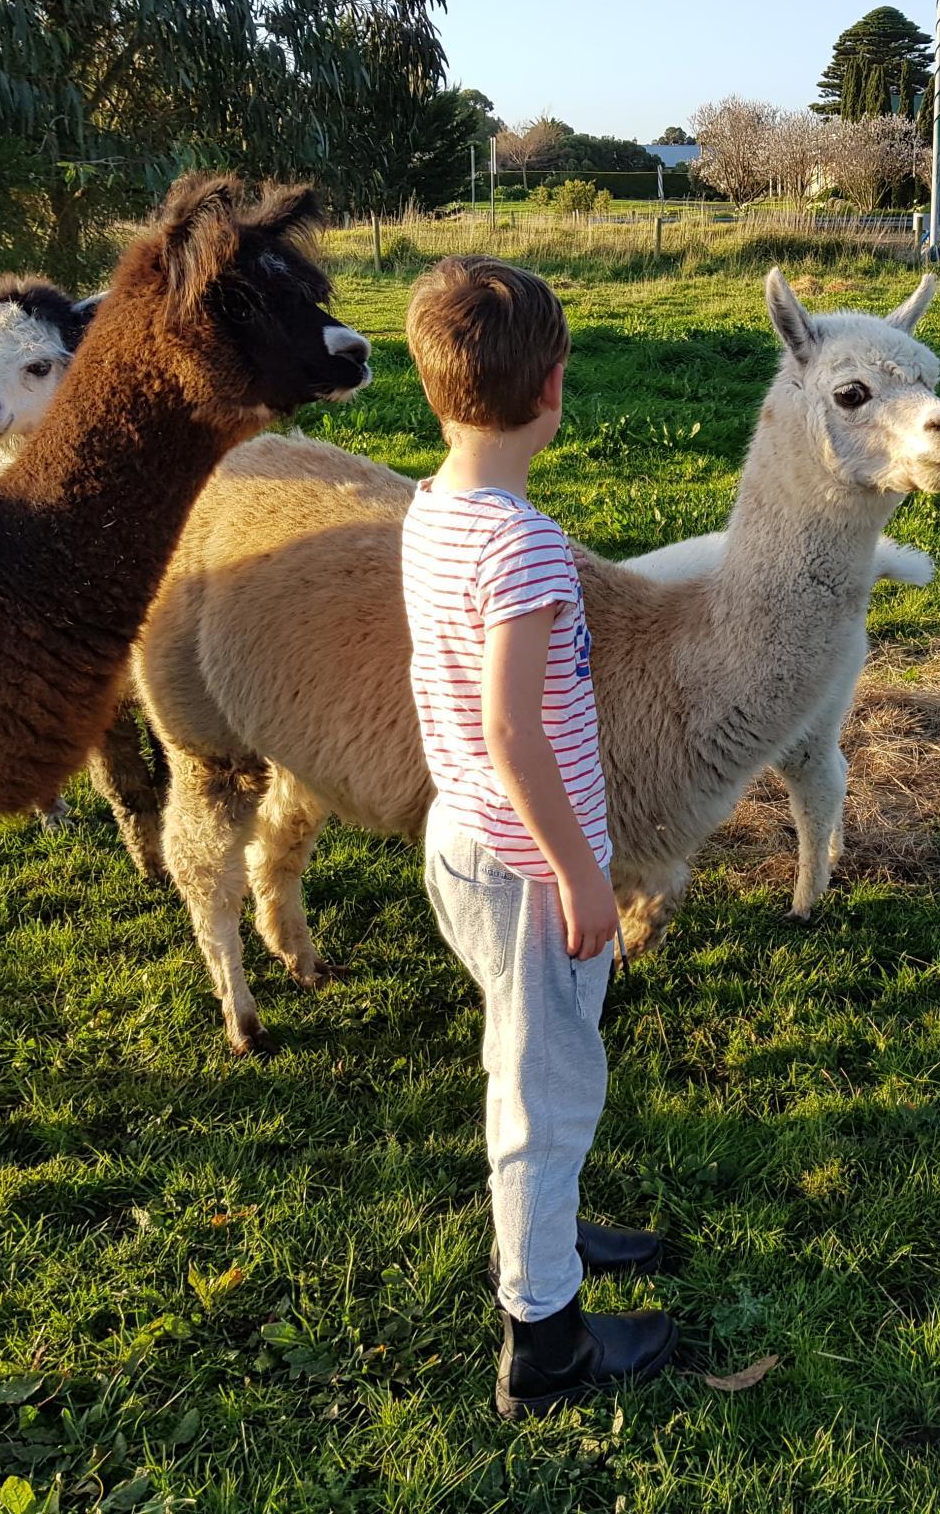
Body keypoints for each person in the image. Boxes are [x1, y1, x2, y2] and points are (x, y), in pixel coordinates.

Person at [400, 255, 676, 1418]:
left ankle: (549, 1235)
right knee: (542, 1092)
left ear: (431, 389)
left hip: (461, 837)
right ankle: (545, 1337)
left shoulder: (432, 511)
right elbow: (516, 728)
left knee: (533, 1066)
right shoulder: (524, 546)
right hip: (526, 865)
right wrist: (581, 876)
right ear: (555, 386)